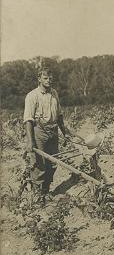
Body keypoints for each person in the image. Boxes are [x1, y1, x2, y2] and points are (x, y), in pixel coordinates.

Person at [24, 66, 81, 196]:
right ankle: (37, 196)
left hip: (53, 131)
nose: (48, 80)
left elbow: (59, 115)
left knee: (52, 162)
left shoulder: (54, 93)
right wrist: (30, 141)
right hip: (39, 132)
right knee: (40, 164)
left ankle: (46, 191)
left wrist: (64, 132)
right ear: (39, 79)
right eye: (45, 78)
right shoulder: (32, 96)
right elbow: (28, 120)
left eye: (50, 78)